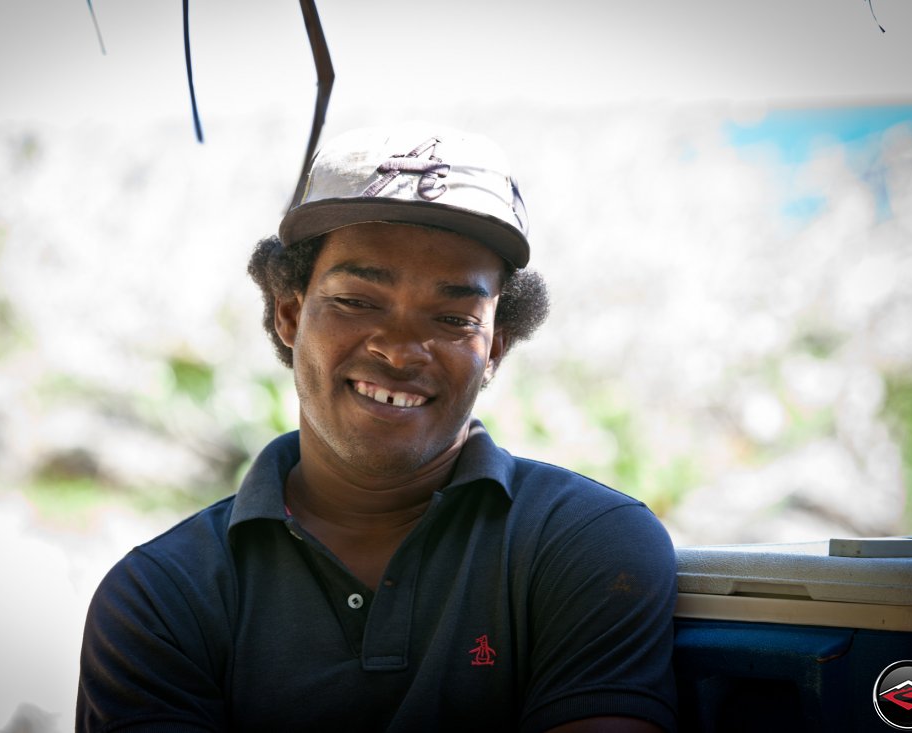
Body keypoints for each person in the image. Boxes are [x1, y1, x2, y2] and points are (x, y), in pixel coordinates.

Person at [76, 123, 678, 732]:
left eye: (451, 317)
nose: (399, 350)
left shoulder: (585, 545)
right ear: (289, 313)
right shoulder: (161, 598)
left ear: (494, 348)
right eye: (357, 301)